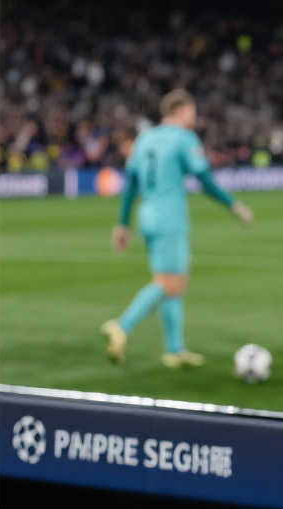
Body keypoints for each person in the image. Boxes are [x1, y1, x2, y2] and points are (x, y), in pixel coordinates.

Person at [103, 89, 252, 366]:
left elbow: (131, 184)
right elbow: (204, 180)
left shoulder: (145, 138)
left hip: (147, 216)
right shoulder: (184, 138)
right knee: (168, 283)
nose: (194, 118)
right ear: (181, 111)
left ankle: (174, 350)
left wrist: (123, 224)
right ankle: (121, 326)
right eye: (192, 112)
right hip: (169, 217)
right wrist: (234, 205)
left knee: (173, 283)